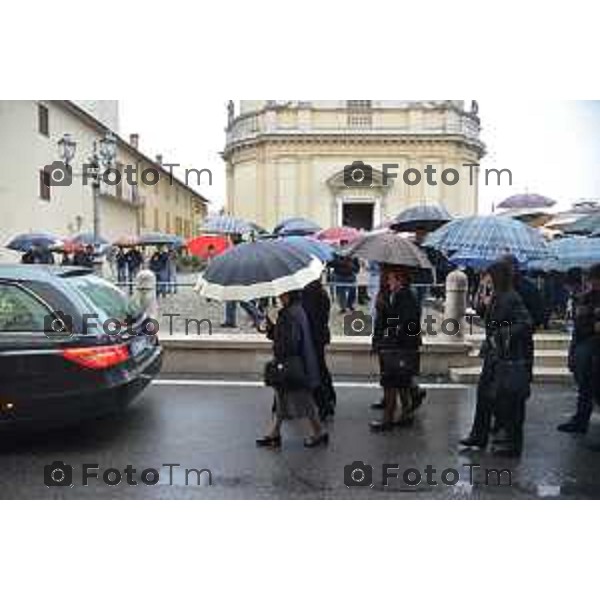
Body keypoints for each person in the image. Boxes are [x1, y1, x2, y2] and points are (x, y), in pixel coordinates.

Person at [460, 260, 533, 457]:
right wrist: (482, 302)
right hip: (494, 354)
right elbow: (487, 317)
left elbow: (525, 324)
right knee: (484, 395)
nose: (485, 279)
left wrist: (502, 334)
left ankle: (507, 441)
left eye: (488, 276)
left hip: (505, 356)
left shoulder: (511, 298)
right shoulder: (497, 296)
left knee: (504, 399)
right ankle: (479, 435)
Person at [256, 290, 329, 448]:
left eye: (282, 294)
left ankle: (319, 432)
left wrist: (275, 333)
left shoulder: (290, 314)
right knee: (281, 397)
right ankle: (274, 432)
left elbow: (291, 341)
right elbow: (287, 336)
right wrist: (272, 328)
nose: (279, 297)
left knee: (304, 399)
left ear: (289, 295)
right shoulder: (295, 310)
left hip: (292, 363)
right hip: (296, 362)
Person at [370, 265, 422, 432]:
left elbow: (406, 323)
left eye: (391, 278)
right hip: (400, 345)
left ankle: (388, 420)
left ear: (400, 280)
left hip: (401, 346)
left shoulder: (406, 296)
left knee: (391, 382)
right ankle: (406, 414)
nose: (387, 281)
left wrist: (389, 336)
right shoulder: (398, 295)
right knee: (401, 382)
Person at [557, 263, 600, 434]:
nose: (591, 284)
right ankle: (580, 421)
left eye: (593, 280)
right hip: (587, 349)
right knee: (585, 388)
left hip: (593, 351)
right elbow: (581, 324)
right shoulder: (587, 298)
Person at [302, 279, 337, 421]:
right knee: (320, 368)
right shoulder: (320, 292)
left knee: (316, 370)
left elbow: (310, 317)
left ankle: (325, 403)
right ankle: (329, 398)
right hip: (318, 336)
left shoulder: (309, 293)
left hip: (313, 337)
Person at [331, 241, 360, 313]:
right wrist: (344, 262)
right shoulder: (335, 253)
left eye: (346, 243)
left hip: (350, 275)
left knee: (352, 291)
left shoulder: (353, 253)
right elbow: (332, 263)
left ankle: (350, 305)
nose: (345, 245)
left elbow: (357, 266)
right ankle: (342, 307)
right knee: (340, 293)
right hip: (339, 275)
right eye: (343, 243)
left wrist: (353, 266)